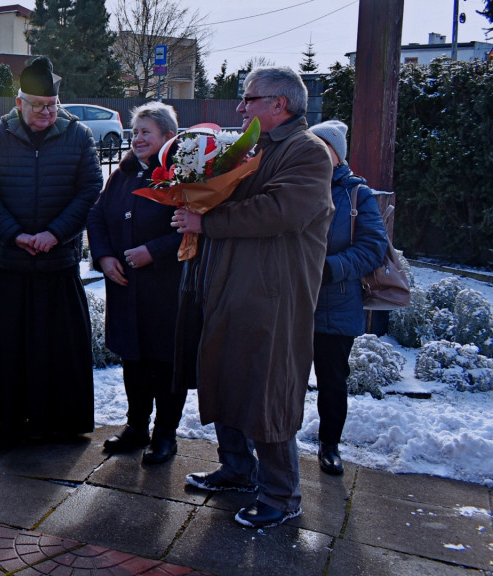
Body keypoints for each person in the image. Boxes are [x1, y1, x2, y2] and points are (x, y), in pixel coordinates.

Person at [172, 67, 334, 528]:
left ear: (279, 105)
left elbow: (282, 211)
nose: (240, 108)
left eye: (249, 99)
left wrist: (209, 222)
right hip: (229, 287)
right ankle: (237, 469)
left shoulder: (307, 152)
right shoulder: (253, 148)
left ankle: (282, 496)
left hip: (271, 296)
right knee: (228, 377)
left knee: (267, 389)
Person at [0, 56, 103, 450]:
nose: (47, 112)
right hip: (10, 262)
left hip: (57, 264)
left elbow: (88, 190)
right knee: (9, 348)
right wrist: (14, 235)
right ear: (19, 103)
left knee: (57, 349)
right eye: (38, 105)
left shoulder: (79, 136)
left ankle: (56, 421)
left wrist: (55, 234)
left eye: (52, 105)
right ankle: (10, 419)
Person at [86, 102, 187, 464]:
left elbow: (192, 229)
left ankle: (165, 435)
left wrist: (153, 251)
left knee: (165, 363)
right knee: (134, 360)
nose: (138, 138)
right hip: (126, 285)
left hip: (165, 288)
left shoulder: (184, 173)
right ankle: (136, 426)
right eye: (136, 132)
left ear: (168, 137)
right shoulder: (125, 172)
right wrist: (104, 256)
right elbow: (97, 214)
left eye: (147, 132)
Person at [308, 120, 387, 476]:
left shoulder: (357, 195)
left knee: (332, 381)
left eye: (321, 148)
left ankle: (329, 445)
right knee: (283, 379)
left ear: (336, 155)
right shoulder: (296, 186)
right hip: (291, 302)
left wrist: (329, 268)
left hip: (335, 303)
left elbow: (373, 248)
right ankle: (277, 443)